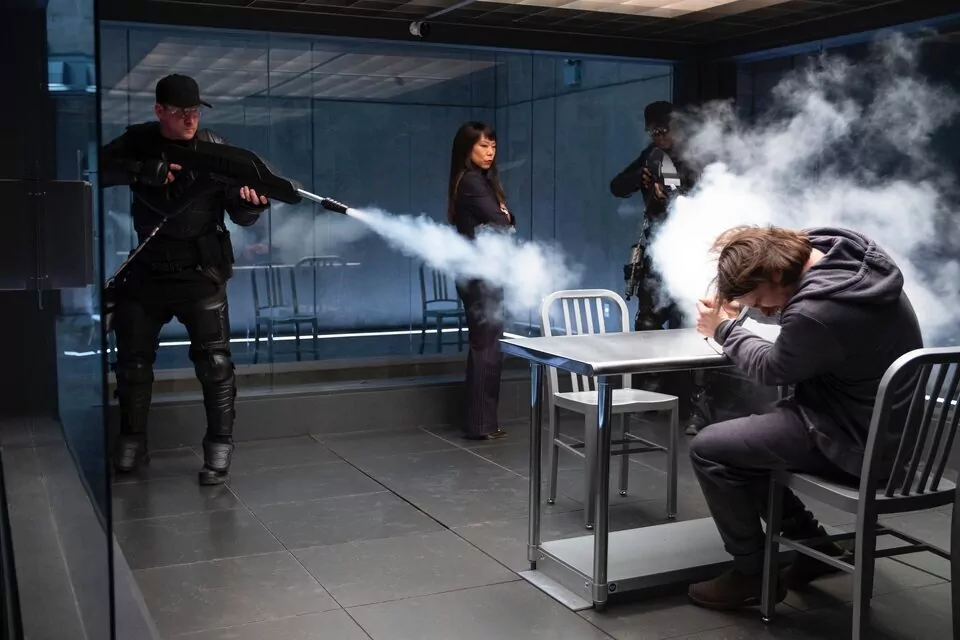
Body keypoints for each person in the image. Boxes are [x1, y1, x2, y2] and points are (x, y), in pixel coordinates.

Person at [687, 224, 923, 610]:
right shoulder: (840, 257)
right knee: (745, 442)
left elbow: (772, 367)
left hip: (859, 442)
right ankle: (814, 548)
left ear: (776, 273)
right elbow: (797, 313)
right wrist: (744, 305)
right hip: (888, 431)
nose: (762, 310)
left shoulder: (818, 311)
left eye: (760, 301)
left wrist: (724, 330)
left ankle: (751, 574)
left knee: (710, 448)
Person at [100, 74, 270, 485]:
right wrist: (142, 171)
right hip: (147, 272)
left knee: (215, 365)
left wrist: (252, 205)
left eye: (195, 110)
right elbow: (98, 166)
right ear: (160, 111)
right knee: (132, 365)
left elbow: (240, 211)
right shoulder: (139, 141)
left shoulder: (214, 148)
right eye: (181, 112)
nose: (191, 119)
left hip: (200, 272)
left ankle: (219, 444)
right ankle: (132, 439)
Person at [610, 100, 712, 435]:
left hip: (691, 251)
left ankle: (699, 408)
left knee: (696, 328)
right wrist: (641, 179)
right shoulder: (651, 156)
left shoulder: (695, 156)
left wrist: (672, 193)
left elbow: (701, 196)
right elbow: (617, 186)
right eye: (653, 131)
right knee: (648, 322)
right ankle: (650, 392)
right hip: (658, 251)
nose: (658, 136)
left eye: (664, 130)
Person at [448, 121, 515, 440]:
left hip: (480, 272)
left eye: (493, 146)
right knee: (486, 347)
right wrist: (506, 215)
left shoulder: (474, 179)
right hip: (479, 274)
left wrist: (504, 217)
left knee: (488, 346)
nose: (490, 153)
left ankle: (485, 422)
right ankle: (479, 424)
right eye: (483, 146)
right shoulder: (473, 181)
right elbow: (501, 221)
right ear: (468, 149)